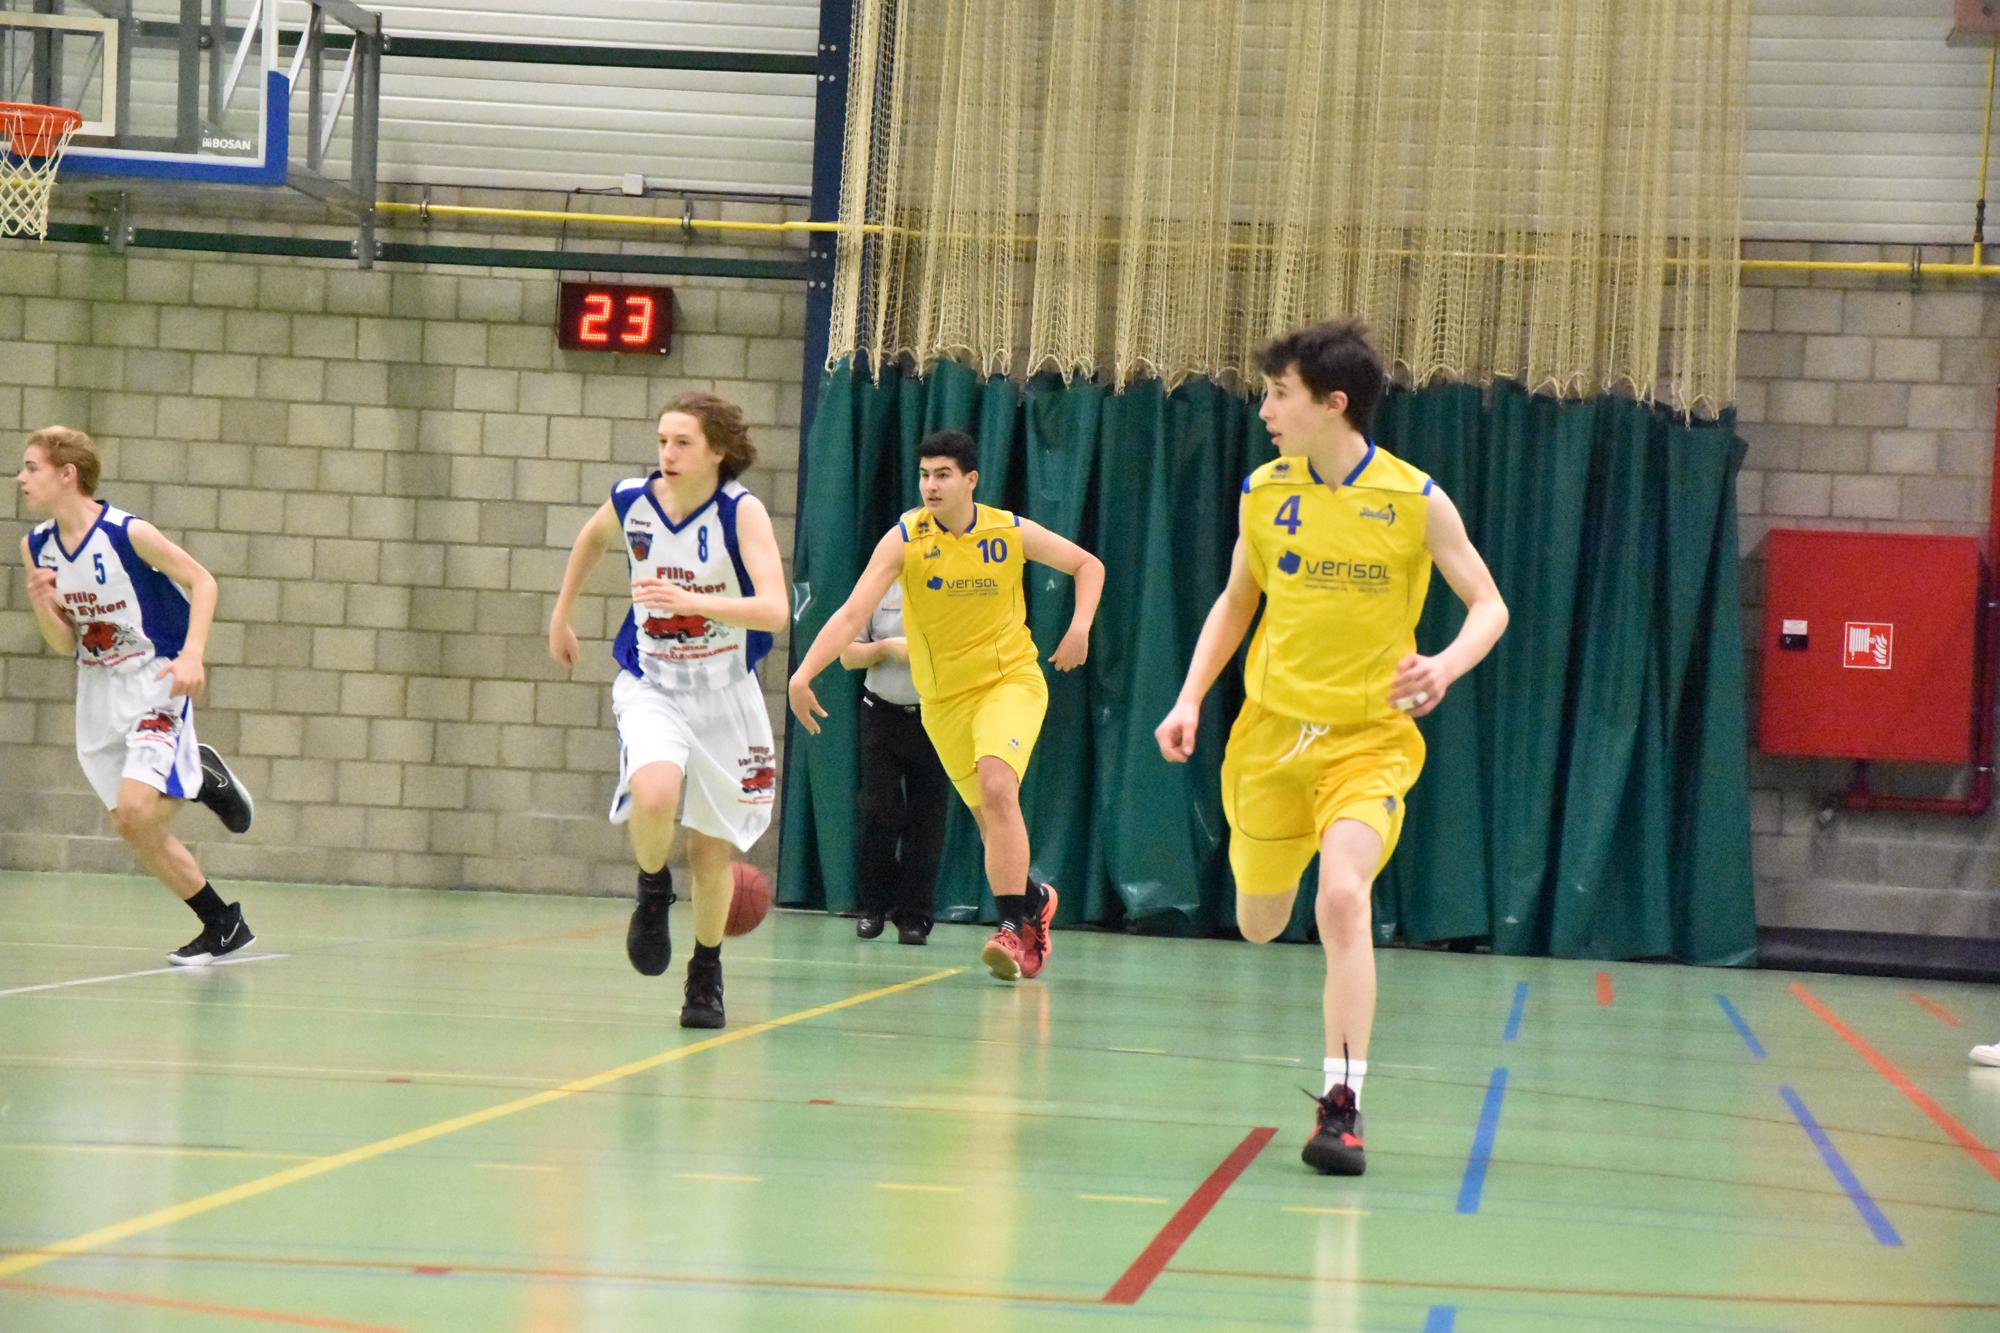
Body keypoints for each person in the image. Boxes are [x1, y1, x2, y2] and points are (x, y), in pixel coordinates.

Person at [1154, 320, 1509, 1176]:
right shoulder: (1263, 492)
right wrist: (1190, 695)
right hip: (1271, 740)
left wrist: (1445, 665)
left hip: (1368, 742)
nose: (1265, 410)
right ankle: (1267, 879)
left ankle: (1342, 1105)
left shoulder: (1414, 499)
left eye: (1280, 394)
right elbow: (1237, 602)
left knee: (1344, 898)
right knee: (1260, 922)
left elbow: (1489, 604)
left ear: (1333, 403)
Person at [789, 430, 1104, 981]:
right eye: (924, 475)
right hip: (942, 702)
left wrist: (1079, 627)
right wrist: (803, 673)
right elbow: (850, 614)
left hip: (1008, 682)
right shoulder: (905, 538)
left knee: (998, 786)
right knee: (989, 821)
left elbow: (1088, 565)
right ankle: (1034, 901)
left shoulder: (1006, 530)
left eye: (943, 475)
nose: (931, 486)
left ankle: (1010, 929)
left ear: (970, 480)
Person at [549, 393, 787, 1030]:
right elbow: (592, 538)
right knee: (654, 793)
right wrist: (562, 613)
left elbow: (773, 611)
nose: (667, 453)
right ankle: (653, 887)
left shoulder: (741, 512)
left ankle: (705, 972)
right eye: (662, 440)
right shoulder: (634, 501)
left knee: (711, 853)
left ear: (717, 451)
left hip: (726, 694)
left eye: (682, 442)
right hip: (652, 682)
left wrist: (694, 601)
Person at [17, 426, 257, 964]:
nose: (20, 478)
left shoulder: (127, 533)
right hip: (98, 688)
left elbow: (203, 582)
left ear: (66, 474)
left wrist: (193, 655)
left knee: (135, 807)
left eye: (31, 467)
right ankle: (224, 924)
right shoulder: (37, 547)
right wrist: (40, 604)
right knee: (130, 823)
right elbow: (64, 643)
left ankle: (198, 777)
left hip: (155, 677)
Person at [840, 583, 948, 945]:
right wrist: (887, 648)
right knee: (878, 811)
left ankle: (915, 916)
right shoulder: (878, 585)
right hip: (880, 714)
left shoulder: (952, 587)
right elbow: (848, 655)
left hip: (935, 717)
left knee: (927, 819)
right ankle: (872, 908)